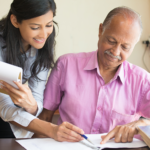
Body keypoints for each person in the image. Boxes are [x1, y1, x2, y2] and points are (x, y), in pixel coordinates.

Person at [39, 6, 150, 143]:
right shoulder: (65, 65)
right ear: (100, 31)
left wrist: (141, 124)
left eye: (125, 47)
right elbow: (44, 117)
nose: (115, 52)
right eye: (111, 41)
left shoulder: (142, 81)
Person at [0, 0, 57, 138]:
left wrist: (32, 106)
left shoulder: (44, 43)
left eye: (49, 25)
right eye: (35, 27)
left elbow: (37, 97)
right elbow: (3, 105)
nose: (44, 34)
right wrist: (49, 129)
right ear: (15, 20)